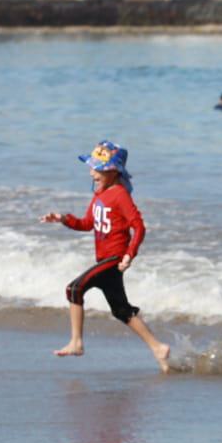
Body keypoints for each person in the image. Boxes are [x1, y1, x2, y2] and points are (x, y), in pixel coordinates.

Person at [39, 141, 170, 372]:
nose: (91, 172)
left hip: (114, 260)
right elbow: (87, 223)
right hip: (104, 260)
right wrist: (62, 218)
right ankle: (158, 348)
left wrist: (130, 255)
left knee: (74, 289)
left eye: (97, 168)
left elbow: (138, 226)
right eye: (91, 167)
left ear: (113, 171)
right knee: (121, 311)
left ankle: (77, 343)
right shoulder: (99, 194)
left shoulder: (119, 195)